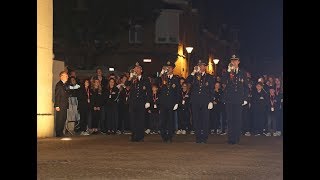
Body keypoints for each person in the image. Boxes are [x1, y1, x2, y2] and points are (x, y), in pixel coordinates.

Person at [221, 55, 249, 144]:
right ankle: (230, 138)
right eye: (232, 61)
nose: (233, 62)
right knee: (230, 119)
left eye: (235, 61)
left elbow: (245, 87)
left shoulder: (242, 73)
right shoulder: (227, 73)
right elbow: (223, 82)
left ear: (238, 62)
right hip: (229, 99)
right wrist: (228, 72)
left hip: (238, 99)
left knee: (237, 119)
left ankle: (236, 138)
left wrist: (245, 98)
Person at [186, 60, 215, 143]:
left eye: (201, 65)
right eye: (198, 65)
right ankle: (198, 137)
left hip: (205, 101)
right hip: (195, 101)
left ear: (205, 67)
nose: (200, 66)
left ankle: (205, 137)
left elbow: (211, 90)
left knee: (205, 119)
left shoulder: (209, 77)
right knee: (196, 119)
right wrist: (193, 72)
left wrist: (211, 101)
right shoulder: (194, 76)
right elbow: (187, 81)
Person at [127, 62, 151, 142]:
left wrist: (148, 101)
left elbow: (149, 91)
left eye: (138, 68)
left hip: (141, 102)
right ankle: (134, 135)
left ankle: (140, 136)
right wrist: (130, 77)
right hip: (133, 102)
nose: (136, 70)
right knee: (133, 119)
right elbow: (126, 85)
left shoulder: (145, 79)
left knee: (140, 119)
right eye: (135, 68)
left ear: (141, 70)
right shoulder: (132, 78)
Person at [157, 61, 180, 142]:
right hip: (163, 102)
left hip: (171, 103)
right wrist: (161, 73)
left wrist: (177, 102)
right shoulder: (163, 77)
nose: (168, 69)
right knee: (162, 120)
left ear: (173, 69)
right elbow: (157, 84)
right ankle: (163, 135)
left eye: (170, 67)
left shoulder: (176, 79)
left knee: (170, 121)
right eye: (167, 67)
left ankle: (170, 136)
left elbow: (178, 91)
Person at [54, 71, 69, 137]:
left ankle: (61, 132)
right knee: (60, 119)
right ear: (61, 76)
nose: (67, 77)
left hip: (64, 105)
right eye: (66, 76)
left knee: (63, 118)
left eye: (67, 76)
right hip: (60, 105)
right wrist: (57, 105)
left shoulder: (64, 84)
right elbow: (57, 95)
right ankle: (58, 132)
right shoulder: (59, 84)